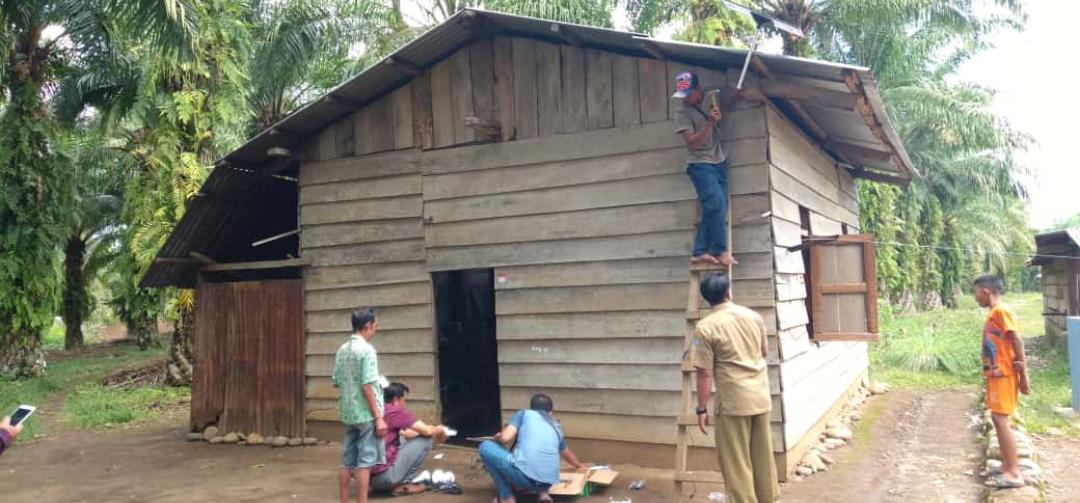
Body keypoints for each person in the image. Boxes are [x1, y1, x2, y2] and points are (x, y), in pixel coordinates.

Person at [689, 273, 778, 503]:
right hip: (760, 397)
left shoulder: (705, 327)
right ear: (729, 292)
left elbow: (704, 372)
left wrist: (701, 409)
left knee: (736, 463)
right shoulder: (753, 316)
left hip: (733, 403)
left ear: (708, 300)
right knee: (763, 459)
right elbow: (764, 352)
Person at [673, 71, 737, 267]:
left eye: (688, 94)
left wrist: (741, 94)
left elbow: (730, 96)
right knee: (716, 204)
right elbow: (692, 143)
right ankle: (720, 251)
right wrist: (710, 123)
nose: (685, 99)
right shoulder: (682, 113)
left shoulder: (711, 98)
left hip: (718, 161)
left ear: (698, 90)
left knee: (717, 208)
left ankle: (699, 251)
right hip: (700, 164)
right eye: (682, 95)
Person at [974, 274, 1030, 488]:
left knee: (1000, 419)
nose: (976, 297)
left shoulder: (1001, 311)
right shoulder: (995, 313)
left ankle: (1014, 472)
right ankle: (1007, 465)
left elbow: (1016, 338)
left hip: (1004, 373)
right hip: (997, 373)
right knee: (998, 418)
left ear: (986, 290)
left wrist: (1024, 373)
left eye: (976, 292)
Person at [479, 394, 588, 503]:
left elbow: (505, 438)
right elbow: (567, 454)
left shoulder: (523, 414)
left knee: (486, 447)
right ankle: (543, 495)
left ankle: (506, 497)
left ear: (531, 408)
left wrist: (499, 436)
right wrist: (580, 465)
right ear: (550, 412)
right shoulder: (556, 427)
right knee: (541, 460)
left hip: (525, 479)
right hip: (548, 482)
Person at [332, 308, 387, 503]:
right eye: (375, 326)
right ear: (367, 326)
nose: (376, 330)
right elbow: (366, 385)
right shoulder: (367, 350)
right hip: (365, 414)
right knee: (366, 462)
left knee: (346, 462)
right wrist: (379, 417)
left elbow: (336, 381)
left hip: (348, 412)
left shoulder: (343, 349)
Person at [371, 382, 449, 496]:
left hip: (369, 477)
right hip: (385, 479)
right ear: (396, 399)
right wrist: (439, 429)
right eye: (404, 400)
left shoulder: (380, 409)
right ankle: (405, 483)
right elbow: (426, 432)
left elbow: (406, 433)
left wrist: (429, 428)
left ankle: (383, 485)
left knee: (401, 438)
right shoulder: (396, 411)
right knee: (425, 440)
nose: (404, 404)